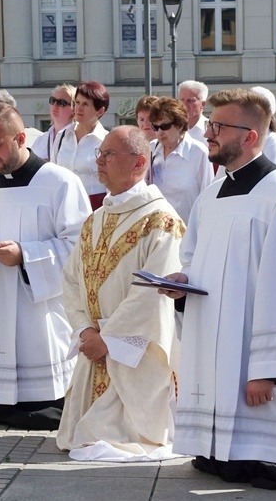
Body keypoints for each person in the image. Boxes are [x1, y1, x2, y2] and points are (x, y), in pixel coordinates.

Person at [160, 88, 276, 488]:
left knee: (272, 463)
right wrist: (182, 282)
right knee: (226, 462)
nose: (208, 132)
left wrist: (267, 373)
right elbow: (193, 260)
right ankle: (221, 450)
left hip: (261, 354)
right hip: (217, 341)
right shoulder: (210, 195)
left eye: (219, 126)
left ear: (251, 136)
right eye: (210, 124)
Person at [0, 103, 91, 430]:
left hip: (39, 305)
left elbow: (80, 247)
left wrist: (25, 255)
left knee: (43, 403)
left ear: (20, 138)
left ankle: (48, 402)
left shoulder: (60, 182)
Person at [56, 126, 184, 460]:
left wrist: (107, 339)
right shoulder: (95, 219)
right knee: (80, 438)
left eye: (109, 154)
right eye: (100, 153)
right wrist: (85, 330)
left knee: (109, 439)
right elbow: (71, 281)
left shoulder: (161, 220)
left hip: (134, 355)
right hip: (94, 346)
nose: (99, 161)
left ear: (139, 162)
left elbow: (152, 292)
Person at [148, 97, 213, 222]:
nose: (160, 132)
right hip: (155, 231)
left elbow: (207, 198)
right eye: (155, 127)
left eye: (165, 126)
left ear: (180, 124)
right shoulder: (151, 149)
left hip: (186, 231)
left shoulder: (198, 152)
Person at [53, 81, 110, 197]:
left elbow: (112, 182)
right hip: (63, 202)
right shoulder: (62, 136)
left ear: (100, 111)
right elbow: (52, 174)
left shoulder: (107, 141)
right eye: (77, 102)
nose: (78, 108)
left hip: (94, 206)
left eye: (85, 104)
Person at [30, 84, 76, 160]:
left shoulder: (77, 137)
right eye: (53, 100)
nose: (54, 105)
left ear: (74, 109)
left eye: (61, 102)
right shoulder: (41, 139)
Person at [178, 80, 209, 146]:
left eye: (190, 101)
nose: (184, 105)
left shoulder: (210, 130)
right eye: (182, 100)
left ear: (202, 104)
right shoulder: (171, 128)